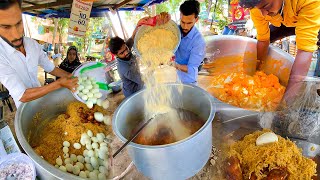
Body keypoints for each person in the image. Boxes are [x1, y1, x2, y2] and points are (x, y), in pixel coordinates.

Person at [0, 0, 78, 108]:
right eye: (6, 27)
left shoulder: (32, 44)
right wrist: (59, 84)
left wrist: (72, 76)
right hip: (25, 108)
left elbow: (50, 68)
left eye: (18, 23)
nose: (16, 34)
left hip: (42, 99)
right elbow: (22, 95)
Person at [239, 0, 320, 102]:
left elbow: (305, 50)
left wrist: (286, 103)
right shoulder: (257, 9)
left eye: (267, 6)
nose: (263, 13)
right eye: (259, 9)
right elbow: (263, 40)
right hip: (285, 18)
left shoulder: (309, 2)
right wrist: (256, 72)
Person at [108, 13, 171, 98]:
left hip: (138, 84)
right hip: (133, 93)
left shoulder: (124, 48)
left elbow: (133, 37)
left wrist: (139, 24)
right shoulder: (126, 69)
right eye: (122, 53)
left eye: (126, 48)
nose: (126, 52)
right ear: (116, 55)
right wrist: (155, 63)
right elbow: (143, 80)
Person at [173, 0, 206, 85]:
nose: (185, 26)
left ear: (196, 19)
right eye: (183, 22)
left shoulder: (198, 41)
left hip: (188, 82)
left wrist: (174, 65)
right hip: (174, 79)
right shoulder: (174, 31)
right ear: (180, 16)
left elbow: (192, 68)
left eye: (189, 23)